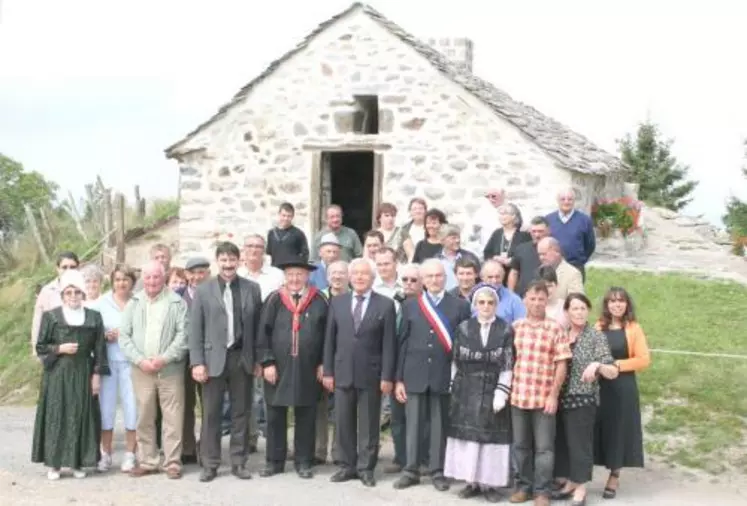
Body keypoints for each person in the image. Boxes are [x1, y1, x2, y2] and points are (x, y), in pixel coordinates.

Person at [393, 259, 471, 492]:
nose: (434, 280)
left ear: (445, 278)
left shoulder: (459, 306)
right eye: (429, 277)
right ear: (423, 281)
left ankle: (437, 470)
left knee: (439, 424)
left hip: (443, 373)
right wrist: (398, 379)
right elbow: (402, 344)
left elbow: (463, 344)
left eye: (438, 276)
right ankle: (411, 470)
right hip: (414, 372)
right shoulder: (410, 306)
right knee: (413, 423)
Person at [189, 241, 263, 482]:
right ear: (217, 262)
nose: (228, 264)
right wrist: (197, 362)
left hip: (242, 357)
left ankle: (239, 462)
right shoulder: (203, 290)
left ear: (239, 261)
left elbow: (258, 328)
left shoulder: (252, 289)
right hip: (212, 360)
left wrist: (258, 359)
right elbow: (195, 330)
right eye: (224, 260)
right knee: (211, 413)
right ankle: (210, 463)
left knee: (241, 412)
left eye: (232, 260)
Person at [323, 259, 397, 487]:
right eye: (355, 274)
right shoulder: (337, 302)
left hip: (371, 374)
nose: (359, 277)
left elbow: (389, 344)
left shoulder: (385, 305)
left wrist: (387, 376)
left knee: (369, 423)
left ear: (372, 278)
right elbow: (329, 340)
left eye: (364, 274)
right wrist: (328, 371)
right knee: (343, 421)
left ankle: (366, 467)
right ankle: (347, 465)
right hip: (342, 371)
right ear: (349, 277)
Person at [257, 254, 328, 479]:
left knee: (306, 413)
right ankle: (274, 461)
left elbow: (328, 336)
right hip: (278, 366)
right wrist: (267, 362)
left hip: (308, 367)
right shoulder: (273, 300)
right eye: (290, 274)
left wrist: (323, 363)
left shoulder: (320, 301)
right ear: (285, 276)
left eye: (299, 274)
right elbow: (263, 333)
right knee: (276, 414)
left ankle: (303, 461)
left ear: (308, 276)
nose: (295, 279)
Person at [32, 269, 107, 480]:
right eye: (68, 292)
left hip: (84, 371)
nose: (73, 296)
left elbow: (100, 349)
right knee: (58, 415)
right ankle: (55, 464)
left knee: (81, 415)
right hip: (58, 373)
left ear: (83, 294)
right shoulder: (52, 316)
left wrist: (97, 375)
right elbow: (41, 346)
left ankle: (78, 462)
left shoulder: (94, 317)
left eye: (76, 292)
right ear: (63, 295)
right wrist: (60, 349)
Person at [119, 260, 189, 480]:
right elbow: (124, 336)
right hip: (142, 370)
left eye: (156, 277)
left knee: (173, 416)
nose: (152, 281)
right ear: (143, 279)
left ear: (164, 277)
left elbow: (183, 336)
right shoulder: (134, 302)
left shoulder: (177, 302)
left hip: (170, 369)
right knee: (145, 416)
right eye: (148, 277)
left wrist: (164, 358)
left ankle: (172, 463)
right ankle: (148, 461)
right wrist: (140, 360)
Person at [444, 285, 514, 502]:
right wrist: (452, 386)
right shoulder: (463, 328)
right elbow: (455, 361)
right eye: (481, 302)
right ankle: (471, 481)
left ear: (496, 305)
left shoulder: (506, 330)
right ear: (475, 304)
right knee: (468, 439)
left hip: (492, 389)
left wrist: (501, 393)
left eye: (490, 302)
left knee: (491, 440)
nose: (486, 306)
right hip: (466, 390)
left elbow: (508, 365)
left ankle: (490, 485)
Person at [508, 280, 571, 506]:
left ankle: (542, 491)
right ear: (525, 300)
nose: (536, 303)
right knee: (520, 446)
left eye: (541, 299)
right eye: (532, 299)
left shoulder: (555, 328)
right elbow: (508, 362)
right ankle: (522, 487)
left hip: (544, 399)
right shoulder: (515, 327)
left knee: (544, 448)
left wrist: (553, 395)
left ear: (547, 301)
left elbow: (562, 364)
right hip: (518, 397)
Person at [553, 293, 618, 506]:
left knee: (580, 444)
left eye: (583, 308)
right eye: (574, 308)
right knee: (563, 442)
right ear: (567, 312)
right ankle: (571, 481)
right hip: (559, 397)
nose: (579, 312)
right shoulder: (561, 333)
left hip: (582, 399)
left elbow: (612, 370)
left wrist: (597, 365)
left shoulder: (595, 336)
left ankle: (581, 488)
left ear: (588, 311)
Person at [594, 287, 650, 499]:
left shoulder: (634, 328)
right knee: (598, 429)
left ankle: (614, 476)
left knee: (618, 431)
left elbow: (643, 359)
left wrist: (617, 364)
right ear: (607, 304)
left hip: (623, 387)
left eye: (621, 301)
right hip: (600, 387)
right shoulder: (598, 326)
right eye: (612, 301)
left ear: (627, 304)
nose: (617, 304)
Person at [92, 264, 138, 473]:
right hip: (108, 361)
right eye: (118, 279)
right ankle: (106, 453)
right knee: (106, 407)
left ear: (132, 282)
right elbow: (91, 331)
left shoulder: (138, 302)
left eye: (125, 279)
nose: (121, 283)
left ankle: (130, 454)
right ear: (112, 281)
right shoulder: (101, 303)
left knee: (132, 407)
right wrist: (104, 336)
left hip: (131, 362)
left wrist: (128, 336)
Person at [180, 256, 212, 464]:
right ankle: (187, 448)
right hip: (182, 358)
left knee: (209, 405)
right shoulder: (177, 297)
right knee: (185, 405)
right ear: (187, 275)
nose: (198, 276)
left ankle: (207, 449)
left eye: (202, 272)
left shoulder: (214, 295)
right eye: (194, 272)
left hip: (207, 358)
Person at [31, 251, 80, 356]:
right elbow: (38, 322)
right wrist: (37, 350)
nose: (68, 270)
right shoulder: (47, 291)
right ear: (57, 269)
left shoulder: (85, 288)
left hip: (82, 349)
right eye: (64, 267)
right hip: (56, 351)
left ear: (78, 268)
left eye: (72, 267)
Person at [545, 187, 596, 281]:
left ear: (574, 201)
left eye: (570, 199)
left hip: (575, 266)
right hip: (553, 267)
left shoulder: (584, 220)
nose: (566, 202)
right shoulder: (548, 219)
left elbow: (590, 245)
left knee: (575, 294)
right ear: (557, 201)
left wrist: (581, 260)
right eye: (563, 199)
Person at [483, 203, 531, 280]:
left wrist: (512, 261)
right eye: (500, 214)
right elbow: (487, 253)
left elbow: (527, 255)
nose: (501, 216)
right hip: (497, 276)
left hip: (517, 276)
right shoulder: (497, 233)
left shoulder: (523, 235)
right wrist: (495, 258)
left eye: (505, 213)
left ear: (514, 216)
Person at [266, 202, 310, 267]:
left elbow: (305, 255)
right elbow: (269, 253)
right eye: (284, 215)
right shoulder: (271, 233)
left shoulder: (298, 233)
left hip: (291, 271)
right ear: (279, 214)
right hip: (275, 270)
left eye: (289, 216)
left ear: (293, 216)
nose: (286, 218)